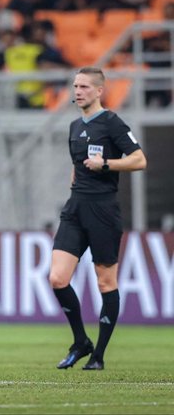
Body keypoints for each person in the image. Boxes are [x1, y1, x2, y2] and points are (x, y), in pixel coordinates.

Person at [49, 67, 147, 370]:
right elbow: (77, 165)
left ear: (99, 91)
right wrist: (75, 186)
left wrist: (106, 164)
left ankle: (99, 355)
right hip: (76, 207)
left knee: (106, 283)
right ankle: (81, 341)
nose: (77, 91)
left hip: (103, 210)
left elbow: (139, 160)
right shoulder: (74, 125)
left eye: (84, 87)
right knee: (57, 277)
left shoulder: (112, 123)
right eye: (75, 86)